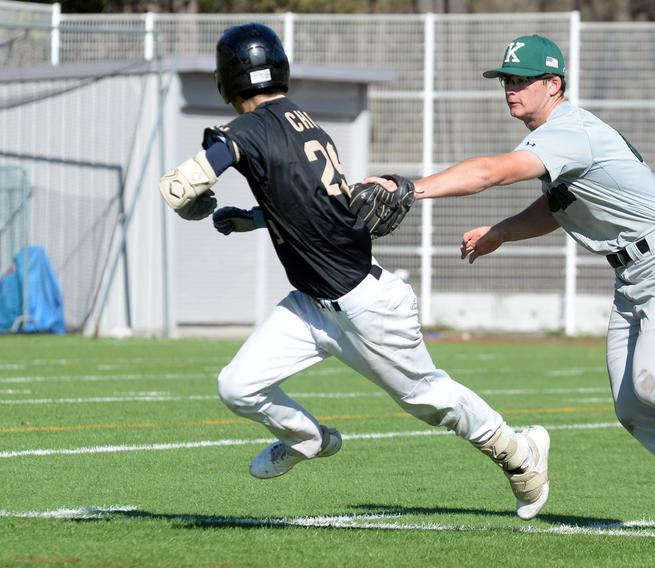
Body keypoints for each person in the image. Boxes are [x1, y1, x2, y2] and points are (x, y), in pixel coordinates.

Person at [366, 34, 655, 538]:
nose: (511, 89)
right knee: (636, 408)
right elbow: (558, 206)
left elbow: (492, 172)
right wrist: (502, 232)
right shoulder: (555, 136)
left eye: (522, 80)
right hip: (633, 274)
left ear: (554, 84)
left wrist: (410, 188)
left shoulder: (569, 130)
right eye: (506, 79)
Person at [156, 23, 550, 521]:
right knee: (238, 386)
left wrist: (193, 196)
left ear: (227, 78)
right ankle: (308, 438)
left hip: (365, 304)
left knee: (428, 400)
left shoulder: (249, 129)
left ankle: (520, 453)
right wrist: (255, 218)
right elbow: (310, 204)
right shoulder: (303, 122)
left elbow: (179, 186)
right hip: (313, 302)